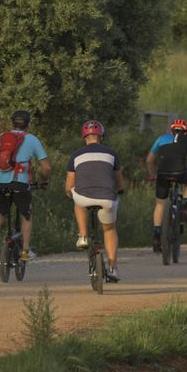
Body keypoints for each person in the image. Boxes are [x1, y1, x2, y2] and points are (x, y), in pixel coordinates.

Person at [0, 109, 52, 261]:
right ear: (28, 124)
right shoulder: (32, 139)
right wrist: (44, 180)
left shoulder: (0, 138)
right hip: (20, 182)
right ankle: (25, 250)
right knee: (26, 215)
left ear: (12, 122)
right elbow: (46, 167)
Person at [66, 119, 125, 283]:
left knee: (77, 198)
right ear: (102, 136)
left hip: (84, 198)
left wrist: (69, 194)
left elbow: (69, 185)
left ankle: (83, 236)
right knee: (109, 229)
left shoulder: (76, 155)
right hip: (107, 198)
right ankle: (113, 268)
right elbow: (119, 182)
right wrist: (119, 190)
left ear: (84, 137)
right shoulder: (112, 153)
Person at [145, 117, 187, 252]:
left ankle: (156, 235)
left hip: (162, 173)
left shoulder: (161, 139)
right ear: (186, 132)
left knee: (160, 203)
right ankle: (184, 206)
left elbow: (149, 160)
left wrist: (152, 175)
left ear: (172, 130)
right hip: (180, 171)